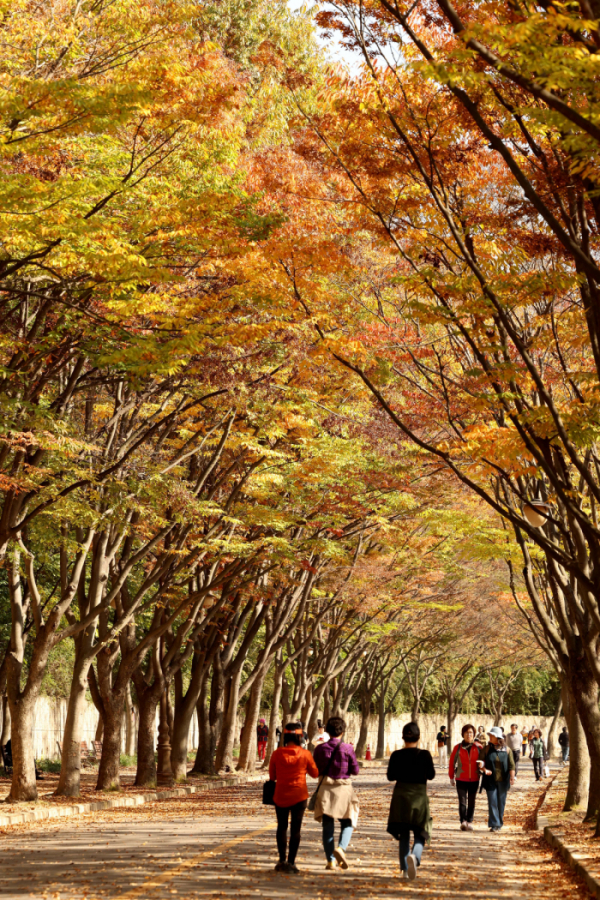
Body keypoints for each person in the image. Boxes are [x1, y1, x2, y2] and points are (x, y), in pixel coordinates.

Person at [387, 721, 435, 881]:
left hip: (401, 796)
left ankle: (405, 870)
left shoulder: (396, 755)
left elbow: (390, 776)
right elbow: (431, 775)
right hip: (419, 797)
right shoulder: (425, 755)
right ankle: (415, 856)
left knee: (404, 833)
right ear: (418, 737)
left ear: (403, 737)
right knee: (422, 831)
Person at [269, 722, 319, 873]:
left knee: (282, 827)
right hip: (299, 795)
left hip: (281, 795)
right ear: (300, 737)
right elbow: (315, 773)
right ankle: (291, 862)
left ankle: (281, 860)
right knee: (295, 830)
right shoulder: (306, 754)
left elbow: (272, 776)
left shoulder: (277, 753)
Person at [313, 716, 360, 871]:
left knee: (328, 826)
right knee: (348, 821)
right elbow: (355, 770)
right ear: (343, 731)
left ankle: (330, 862)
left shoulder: (319, 749)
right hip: (344, 790)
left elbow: (315, 770)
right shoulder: (348, 749)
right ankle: (341, 848)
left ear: (327, 731)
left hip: (325, 790)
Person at [479, 726, 515, 832]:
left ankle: (499, 822)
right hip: (490, 780)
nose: (490, 737)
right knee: (492, 801)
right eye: (489, 735)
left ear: (498, 737)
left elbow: (512, 766)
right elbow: (480, 763)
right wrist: (484, 769)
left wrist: (512, 777)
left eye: (492, 735)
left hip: (503, 781)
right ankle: (495, 824)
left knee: (501, 802)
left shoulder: (507, 750)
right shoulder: (486, 749)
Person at [449, 724, 482, 831]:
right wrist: (451, 777)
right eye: (467, 732)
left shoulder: (478, 747)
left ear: (474, 734)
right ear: (463, 734)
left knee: (472, 801)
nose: (469, 734)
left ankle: (469, 821)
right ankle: (463, 821)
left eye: (471, 732)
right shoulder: (457, 747)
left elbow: (484, 761)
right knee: (462, 801)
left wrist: (483, 766)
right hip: (461, 778)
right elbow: (451, 763)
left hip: (474, 778)